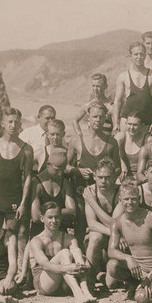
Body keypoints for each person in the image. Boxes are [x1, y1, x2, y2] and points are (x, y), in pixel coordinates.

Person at [0, 108, 33, 269]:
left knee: (15, 235)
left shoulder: (26, 149)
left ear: (20, 124)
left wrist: (24, 203)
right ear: (3, 123)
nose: (13, 125)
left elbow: (28, 178)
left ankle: (20, 271)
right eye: (10, 121)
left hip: (14, 199)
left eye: (16, 122)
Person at [67, 101, 121, 246]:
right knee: (80, 224)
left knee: (101, 228)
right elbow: (65, 166)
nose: (98, 120)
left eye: (101, 117)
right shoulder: (77, 140)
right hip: (81, 190)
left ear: (105, 119)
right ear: (88, 118)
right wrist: (78, 170)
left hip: (103, 192)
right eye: (95, 117)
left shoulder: (111, 142)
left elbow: (118, 169)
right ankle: (78, 256)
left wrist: (104, 178)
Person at [107, 183, 152, 303]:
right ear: (120, 200)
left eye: (134, 199)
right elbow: (111, 251)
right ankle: (135, 283)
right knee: (112, 266)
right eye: (126, 199)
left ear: (139, 199)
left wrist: (150, 276)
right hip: (136, 268)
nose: (130, 202)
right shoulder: (117, 222)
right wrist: (128, 258)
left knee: (141, 299)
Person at [29, 202, 97, 303]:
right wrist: (68, 268)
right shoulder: (37, 240)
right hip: (45, 283)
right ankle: (78, 293)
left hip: (64, 283)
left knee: (77, 251)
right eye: (50, 217)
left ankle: (85, 290)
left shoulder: (68, 238)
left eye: (56, 217)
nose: (54, 221)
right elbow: (45, 265)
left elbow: (78, 256)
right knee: (64, 253)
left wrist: (83, 261)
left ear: (61, 218)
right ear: (42, 218)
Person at [82, 158, 122, 287]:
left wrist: (93, 203)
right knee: (95, 236)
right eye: (100, 177)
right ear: (94, 176)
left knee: (112, 285)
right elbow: (92, 224)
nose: (104, 181)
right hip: (104, 238)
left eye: (107, 177)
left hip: (116, 241)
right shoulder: (90, 191)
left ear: (115, 177)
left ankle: (102, 275)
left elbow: (115, 223)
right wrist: (114, 233)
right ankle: (89, 282)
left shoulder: (120, 192)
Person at [30, 150, 76, 234]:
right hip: (40, 233)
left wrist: (48, 214)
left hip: (60, 232)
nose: (60, 174)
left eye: (63, 170)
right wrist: (59, 214)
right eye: (57, 170)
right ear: (48, 165)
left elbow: (72, 212)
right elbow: (36, 217)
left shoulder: (65, 183)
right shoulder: (37, 183)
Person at [112, 42, 152, 133]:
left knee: (147, 146)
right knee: (120, 141)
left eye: (141, 54)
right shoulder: (123, 76)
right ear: (130, 56)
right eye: (135, 54)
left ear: (145, 55)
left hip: (146, 120)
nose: (139, 57)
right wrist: (116, 123)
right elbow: (117, 101)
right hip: (128, 119)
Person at [19, 105, 56, 173]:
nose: (51, 121)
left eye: (53, 118)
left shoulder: (58, 136)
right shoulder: (27, 134)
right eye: (47, 118)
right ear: (39, 118)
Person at [115, 112, 152, 179]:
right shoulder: (120, 137)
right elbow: (112, 153)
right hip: (122, 176)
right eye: (129, 124)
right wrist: (122, 163)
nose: (131, 127)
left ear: (142, 125)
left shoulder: (148, 140)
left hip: (141, 177)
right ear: (125, 124)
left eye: (135, 125)